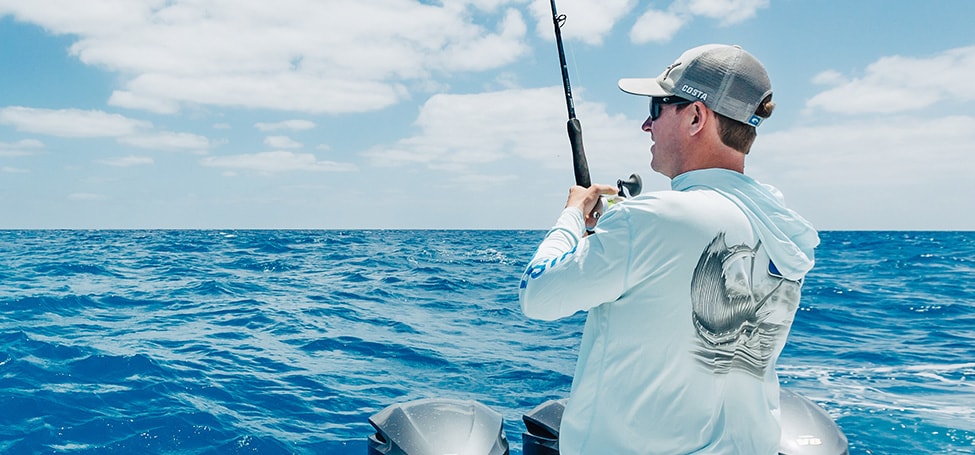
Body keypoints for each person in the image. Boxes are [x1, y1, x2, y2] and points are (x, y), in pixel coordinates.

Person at [519, 44, 820, 454]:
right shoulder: (783, 227)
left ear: (697, 116)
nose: (647, 124)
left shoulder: (651, 219)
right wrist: (620, 229)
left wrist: (572, 216)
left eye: (657, 107)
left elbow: (538, 296)